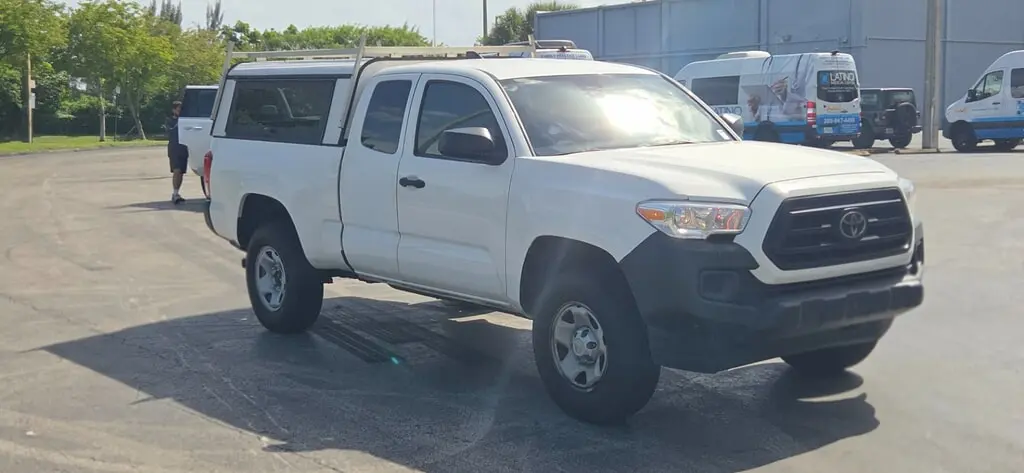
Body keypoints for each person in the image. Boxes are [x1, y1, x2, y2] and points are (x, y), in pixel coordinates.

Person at [165, 101, 189, 204]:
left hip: (183, 148)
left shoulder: (186, 120)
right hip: (174, 148)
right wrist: (180, 122)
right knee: (177, 170)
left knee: (181, 173)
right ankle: (174, 194)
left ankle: (177, 193)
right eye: (178, 109)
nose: (180, 111)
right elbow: (170, 130)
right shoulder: (169, 120)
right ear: (174, 110)